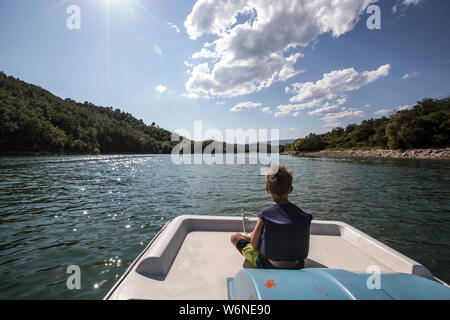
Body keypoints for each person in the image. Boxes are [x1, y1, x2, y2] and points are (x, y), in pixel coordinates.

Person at [230, 165, 312, 269]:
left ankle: (251, 236)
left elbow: (254, 245)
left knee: (235, 237)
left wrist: (253, 238)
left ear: (267, 190)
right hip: (297, 265)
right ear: (291, 190)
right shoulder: (304, 216)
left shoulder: (265, 214)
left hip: (268, 265)